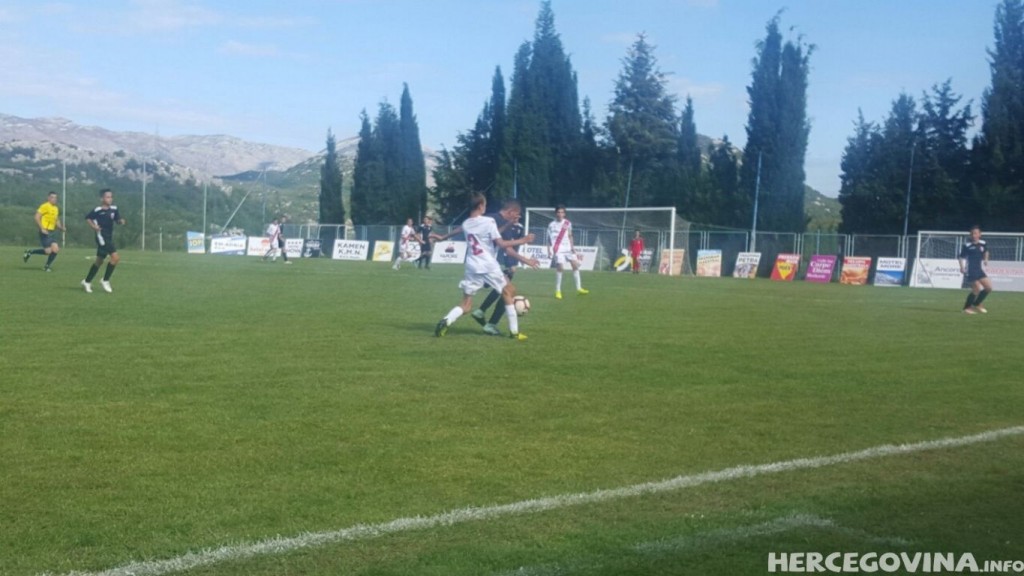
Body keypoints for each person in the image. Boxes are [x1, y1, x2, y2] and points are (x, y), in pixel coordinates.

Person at [434, 193, 534, 341]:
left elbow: (470, 231)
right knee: (509, 291)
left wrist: (443, 237)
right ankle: (514, 332)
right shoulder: (489, 221)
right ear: (481, 206)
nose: (485, 207)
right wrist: (523, 240)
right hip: (487, 264)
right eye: (485, 205)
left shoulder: (467, 223)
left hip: (471, 266)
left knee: (466, 305)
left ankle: (446, 320)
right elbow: (501, 243)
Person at [470, 199, 540, 335]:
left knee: (502, 290)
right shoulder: (499, 222)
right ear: (511, 212)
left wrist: (445, 236)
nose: (517, 218)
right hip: (494, 263)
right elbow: (507, 248)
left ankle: (481, 311)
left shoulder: (490, 218)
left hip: (479, 262)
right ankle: (492, 324)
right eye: (516, 215)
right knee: (508, 291)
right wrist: (523, 260)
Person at [81, 188, 126, 294]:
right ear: (102, 198)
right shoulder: (97, 210)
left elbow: (117, 219)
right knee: (115, 258)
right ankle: (105, 280)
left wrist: (120, 221)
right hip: (101, 237)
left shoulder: (114, 209)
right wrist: (94, 226)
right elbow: (88, 218)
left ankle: (87, 281)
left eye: (111, 197)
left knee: (99, 261)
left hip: (109, 237)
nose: (110, 199)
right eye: (107, 197)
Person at [546, 205, 589, 299]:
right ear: (556, 213)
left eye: (562, 212)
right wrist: (548, 250)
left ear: (564, 214)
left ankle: (579, 288)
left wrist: (572, 247)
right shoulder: (551, 225)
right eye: (558, 212)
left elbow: (570, 235)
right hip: (558, 249)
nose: (560, 214)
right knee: (560, 268)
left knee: (575, 265)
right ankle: (558, 291)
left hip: (568, 248)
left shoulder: (567, 223)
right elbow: (548, 239)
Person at [23, 191, 66, 271]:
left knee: (55, 249)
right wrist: (42, 228)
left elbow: (56, 220)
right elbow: (36, 217)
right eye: (52, 197)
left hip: (52, 232)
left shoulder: (56, 208)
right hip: (45, 231)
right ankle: (30, 252)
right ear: (48, 198)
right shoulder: (45, 206)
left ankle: (46, 267)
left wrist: (61, 227)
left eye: (55, 198)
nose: (54, 199)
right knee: (48, 251)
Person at [959, 225, 993, 314]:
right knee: (976, 289)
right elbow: (961, 257)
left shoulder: (983, 243)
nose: (974, 235)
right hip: (970, 270)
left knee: (988, 288)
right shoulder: (967, 245)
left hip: (979, 270)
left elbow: (986, 251)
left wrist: (986, 259)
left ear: (980, 234)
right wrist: (961, 267)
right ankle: (966, 308)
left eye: (976, 233)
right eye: (972, 234)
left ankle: (977, 303)